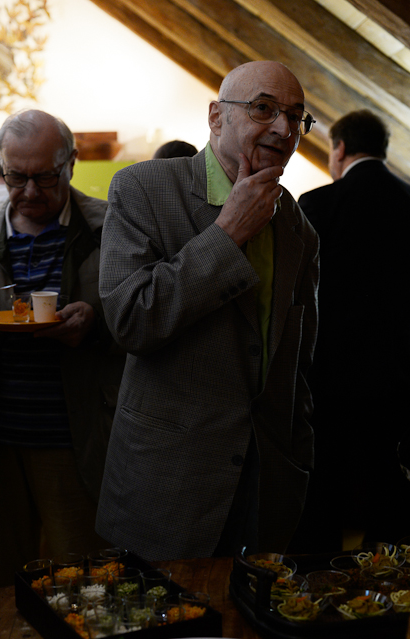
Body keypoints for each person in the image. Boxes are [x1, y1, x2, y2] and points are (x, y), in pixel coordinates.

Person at [96, 60, 319, 561]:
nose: (284, 129)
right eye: (265, 109)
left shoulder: (298, 227)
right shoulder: (142, 189)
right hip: (169, 488)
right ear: (217, 117)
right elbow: (130, 320)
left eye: (297, 117)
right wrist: (227, 235)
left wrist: (296, 463)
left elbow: (297, 366)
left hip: (266, 491)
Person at [0, 109, 125, 588]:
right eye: (15, 177)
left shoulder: (109, 230)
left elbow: (145, 319)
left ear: (71, 164)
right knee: (5, 581)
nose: (27, 192)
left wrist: (97, 320)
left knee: (81, 576)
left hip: (74, 437)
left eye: (44, 178)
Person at [297, 109, 410, 550]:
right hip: (399, 377)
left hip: (331, 374)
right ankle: (383, 594)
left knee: (322, 488)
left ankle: (316, 590)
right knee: (389, 490)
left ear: (339, 149)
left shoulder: (319, 204)